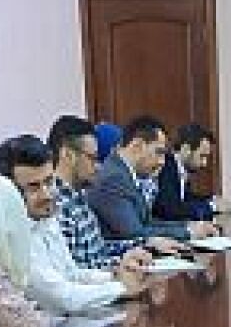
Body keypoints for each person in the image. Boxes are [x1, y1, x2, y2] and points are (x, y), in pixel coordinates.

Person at [0, 136, 147, 314]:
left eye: (49, 182)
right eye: (34, 187)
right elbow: (62, 298)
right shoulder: (12, 235)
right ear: (10, 192)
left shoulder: (45, 217)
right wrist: (122, 288)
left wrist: (115, 276)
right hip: (47, 326)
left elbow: (71, 274)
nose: (47, 194)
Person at [47, 115, 179, 269]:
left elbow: (99, 250)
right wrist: (122, 263)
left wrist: (146, 244)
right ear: (68, 155)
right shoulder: (56, 205)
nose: (98, 166)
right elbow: (77, 271)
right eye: (92, 158)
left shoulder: (79, 196)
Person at [87, 116, 218, 241]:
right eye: (159, 152)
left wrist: (188, 226)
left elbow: (147, 222)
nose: (162, 162)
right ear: (137, 145)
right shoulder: (113, 178)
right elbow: (134, 233)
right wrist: (188, 232)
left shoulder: (125, 173)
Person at [153, 123, 217, 221]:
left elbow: (186, 198)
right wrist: (211, 207)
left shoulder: (179, 169)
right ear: (186, 149)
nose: (204, 163)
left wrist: (212, 200)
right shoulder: (165, 168)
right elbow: (171, 211)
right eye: (202, 156)